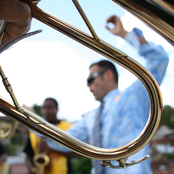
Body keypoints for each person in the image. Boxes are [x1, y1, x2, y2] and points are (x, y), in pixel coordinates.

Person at [44, 15, 169, 174]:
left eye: (91, 78)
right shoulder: (91, 117)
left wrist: (124, 34)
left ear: (108, 75)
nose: (88, 84)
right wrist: (31, 119)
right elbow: (61, 142)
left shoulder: (134, 95)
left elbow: (159, 59)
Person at [24, 98, 77, 174]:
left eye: (49, 107)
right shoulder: (34, 131)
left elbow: (78, 153)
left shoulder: (68, 127)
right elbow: (28, 156)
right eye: (44, 108)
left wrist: (53, 148)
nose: (46, 111)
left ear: (57, 109)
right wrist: (32, 169)